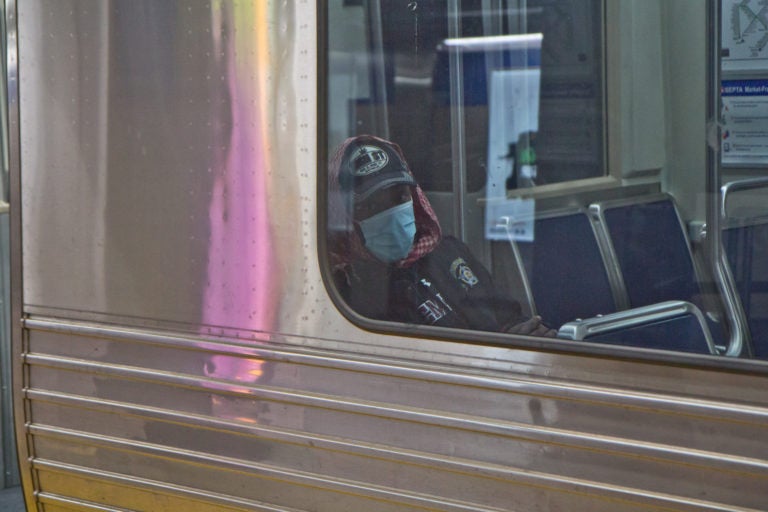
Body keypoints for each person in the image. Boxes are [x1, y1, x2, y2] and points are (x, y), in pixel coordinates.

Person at [328, 134, 556, 337]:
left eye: (399, 198)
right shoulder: (344, 295)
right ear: (345, 217)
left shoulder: (448, 253)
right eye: (373, 207)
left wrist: (527, 337)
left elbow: (508, 316)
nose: (391, 215)